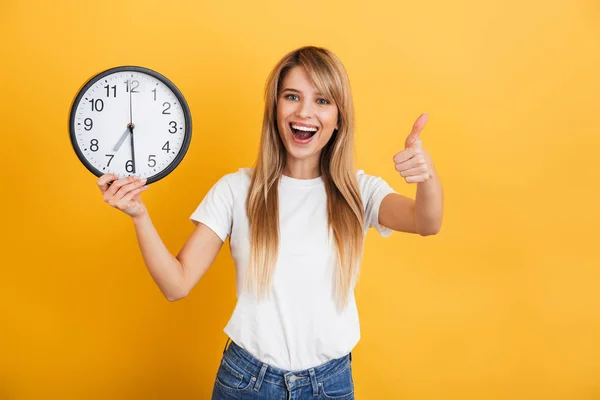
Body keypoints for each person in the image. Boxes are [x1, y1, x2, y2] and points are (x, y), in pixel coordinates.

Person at [97, 46, 444, 400]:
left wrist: (426, 176)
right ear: (275, 108)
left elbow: (426, 220)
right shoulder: (235, 190)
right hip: (246, 382)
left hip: (331, 383)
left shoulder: (358, 191)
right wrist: (139, 215)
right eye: (292, 96)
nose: (304, 112)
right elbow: (177, 284)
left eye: (322, 101)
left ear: (339, 118)